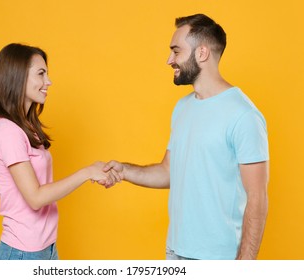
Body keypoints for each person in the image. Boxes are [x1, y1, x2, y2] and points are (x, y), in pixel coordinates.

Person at [101, 14, 269, 260]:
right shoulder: (183, 107)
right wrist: (124, 171)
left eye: (176, 51)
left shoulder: (243, 115)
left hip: (216, 259)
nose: (169, 60)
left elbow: (257, 198)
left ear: (202, 53)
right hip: (176, 251)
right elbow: (169, 171)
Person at [0, 43, 116, 260]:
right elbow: (35, 197)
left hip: (45, 248)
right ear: (18, 77)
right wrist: (87, 172)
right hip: (21, 253)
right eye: (41, 73)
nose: (49, 81)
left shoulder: (26, 128)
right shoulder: (7, 131)